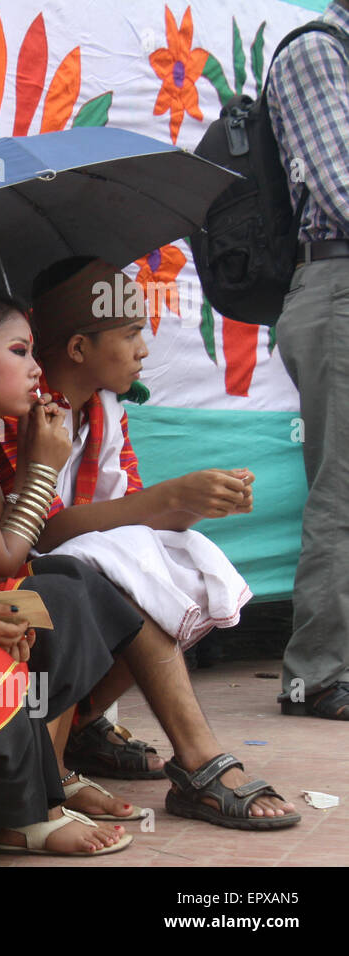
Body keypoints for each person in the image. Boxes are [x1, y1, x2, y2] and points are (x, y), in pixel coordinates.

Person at [0, 290, 299, 831]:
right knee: (71, 584)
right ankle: (40, 800)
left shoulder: (6, 429)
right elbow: (1, 562)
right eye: (20, 352)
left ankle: (62, 764)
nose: (143, 349)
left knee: (97, 576)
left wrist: (184, 505)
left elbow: (90, 529)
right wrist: (42, 469)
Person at [5, 257, 254, 775]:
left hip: (77, 570)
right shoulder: (18, 413)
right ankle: (198, 760)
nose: (144, 349)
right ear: (78, 348)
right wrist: (167, 500)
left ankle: (81, 725)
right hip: (16, 577)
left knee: (191, 559)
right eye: (130, 334)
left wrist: (196, 502)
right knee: (119, 565)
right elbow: (40, 533)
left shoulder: (104, 409)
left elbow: (132, 518)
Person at [267, 0, 349, 720]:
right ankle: (317, 675)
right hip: (337, 282)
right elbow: (340, 186)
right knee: (341, 486)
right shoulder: (318, 51)